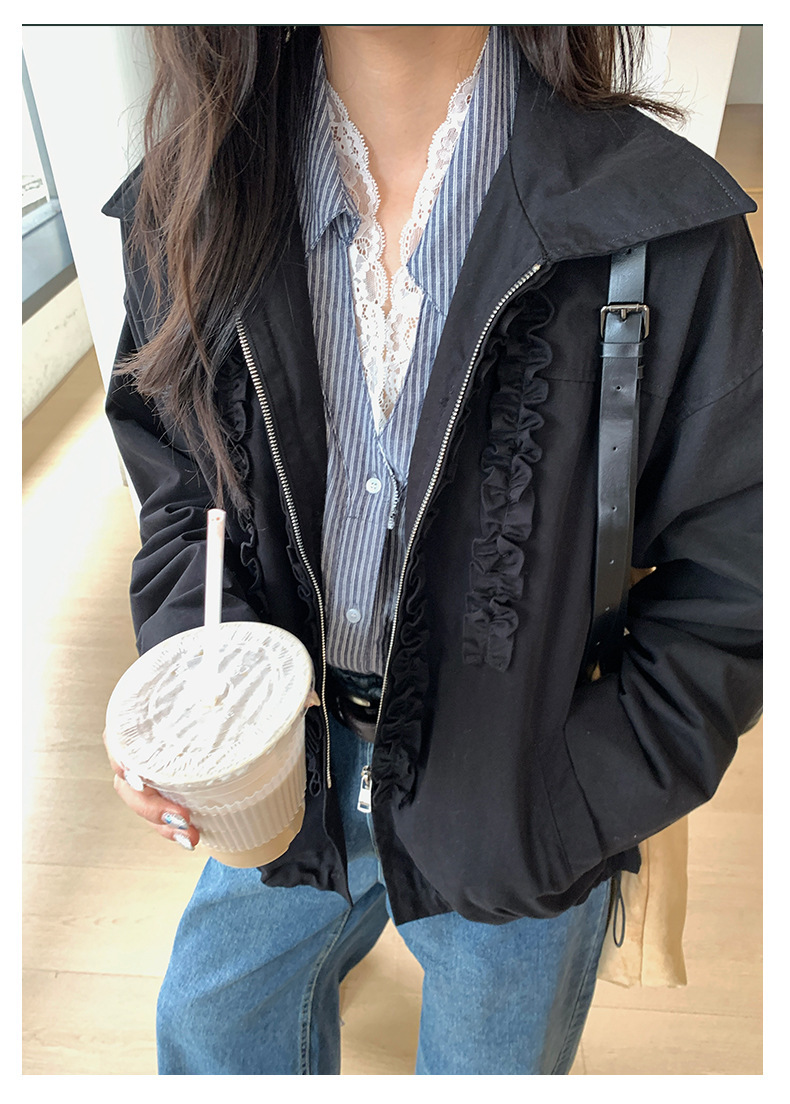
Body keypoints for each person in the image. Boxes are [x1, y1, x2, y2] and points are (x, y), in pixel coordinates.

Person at [102, 25, 762, 1075]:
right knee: (209, 1028)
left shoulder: (664, 229)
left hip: (521, 785)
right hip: (285, 768)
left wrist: (571, 803)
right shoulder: (186, 203)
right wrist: (193, 672)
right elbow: (181, 487)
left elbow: (738, 580)